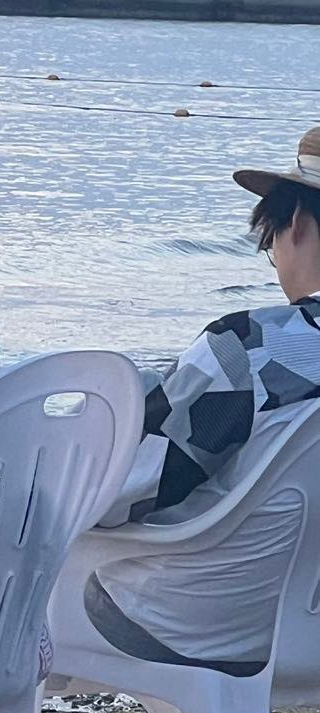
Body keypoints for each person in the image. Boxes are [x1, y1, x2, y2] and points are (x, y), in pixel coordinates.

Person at [84, 127, 320, 671]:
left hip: (196, 626)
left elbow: (126, 489)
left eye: (270, 242)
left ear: (297, 223)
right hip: (308, 627)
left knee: (33, 574)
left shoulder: (248, 348)